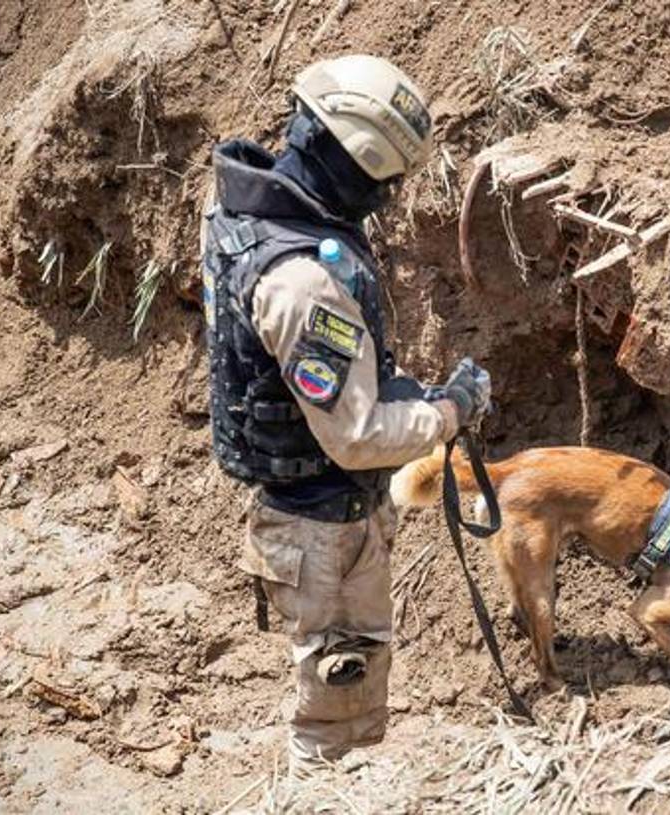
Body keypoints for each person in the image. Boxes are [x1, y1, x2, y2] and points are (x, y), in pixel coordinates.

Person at [199, 55, 490, 775]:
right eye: (385, 181)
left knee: (338, 688)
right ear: (357, 160)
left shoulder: (247, 210)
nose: (387, 198)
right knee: (336, 709)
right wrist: (450, 412)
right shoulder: (304, 285)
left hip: (309, 517)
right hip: (325, 534)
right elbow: (357, 438)